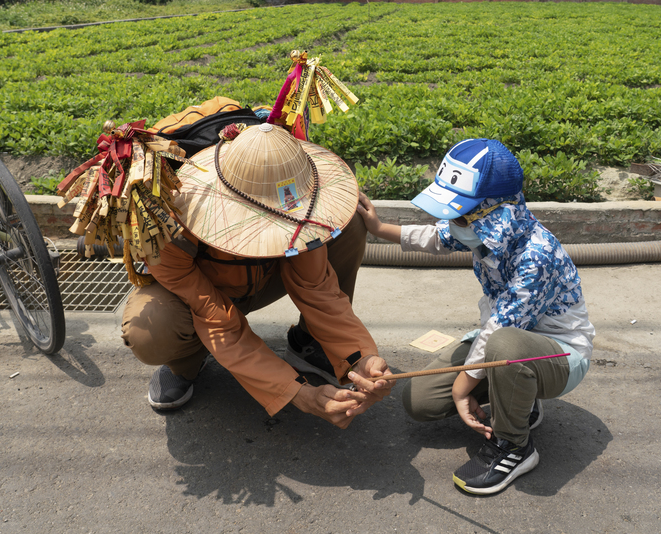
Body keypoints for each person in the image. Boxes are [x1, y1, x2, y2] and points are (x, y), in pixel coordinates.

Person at [356, 138, 595, 494]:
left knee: (502, 343)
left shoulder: (536, 256)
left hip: (559, 353)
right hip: (506, 344)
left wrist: (463, 385)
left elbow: (504, 326)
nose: (454, 221)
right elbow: (437, 238)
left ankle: (515, 445)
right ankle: (519, 400)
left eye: (463, 213)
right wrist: (379, 229)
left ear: (496, 210)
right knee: (418, 400)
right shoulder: (479, 228)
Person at [121, 123, 394, 429]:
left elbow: (317, 288)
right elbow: (217, 318)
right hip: (200, 295)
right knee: (151, 328)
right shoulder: (169, 218)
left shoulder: (302, 209)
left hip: (265, 278)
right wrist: (298, 393)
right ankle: (184, 363)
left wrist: (363, 358)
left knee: (349, 226)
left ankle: (313, 343)